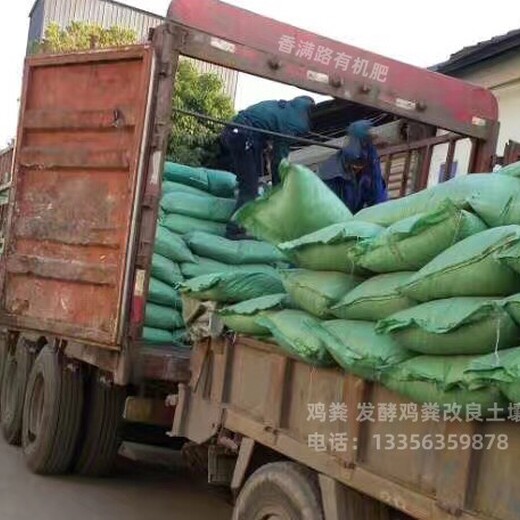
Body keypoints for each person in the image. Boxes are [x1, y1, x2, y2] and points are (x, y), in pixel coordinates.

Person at [221, 96, 315, 238]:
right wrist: (278, 188)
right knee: (250, 187)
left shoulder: (284, 108)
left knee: (251, 180)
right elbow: (279, 159)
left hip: (237, 133)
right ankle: (234, 229)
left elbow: (267, 138)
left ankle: (242, 210)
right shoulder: (294, 121)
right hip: (243, 135)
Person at [317, 120, 388, 213]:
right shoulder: (328, 173)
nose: (358, 169)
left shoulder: (371, 165)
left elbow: (378, 197)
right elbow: (327, 210)